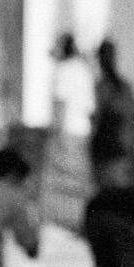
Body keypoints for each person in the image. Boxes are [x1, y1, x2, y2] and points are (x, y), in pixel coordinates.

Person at [38, 32, 97, 226]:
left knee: (59, 179)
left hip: (67, 130)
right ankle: (84, 217)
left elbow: (60, 104)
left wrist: (55, 133)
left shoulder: (63, 70)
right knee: (80, 177)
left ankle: (58, 220)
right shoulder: (83, 69)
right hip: (83, 130)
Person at [89, 39, 134, 186]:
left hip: (103, 152)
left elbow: (94, 120)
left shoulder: (100, 88)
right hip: (123, 150)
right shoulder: (125, 88)